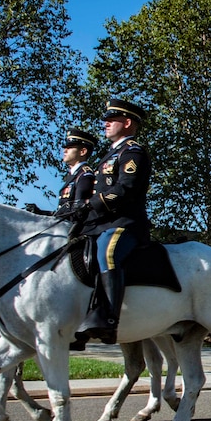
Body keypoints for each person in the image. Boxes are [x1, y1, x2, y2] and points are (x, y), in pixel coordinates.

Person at [72, 98, 152, 348]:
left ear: (127, 123)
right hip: (100, 223)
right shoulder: (111, 154)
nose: (105, 124)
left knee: (108, 251)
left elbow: (125, 189)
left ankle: (108, 318)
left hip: (125, 223)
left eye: (111, 119)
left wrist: (92, 204)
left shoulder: (133, 152)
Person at [25, 129, 98, 217]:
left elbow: (79, 211)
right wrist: (41, 213)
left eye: (69, 148)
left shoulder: (85, 175)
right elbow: (64, 212)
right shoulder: (74, 175)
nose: (64, 151)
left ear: (82, 152)